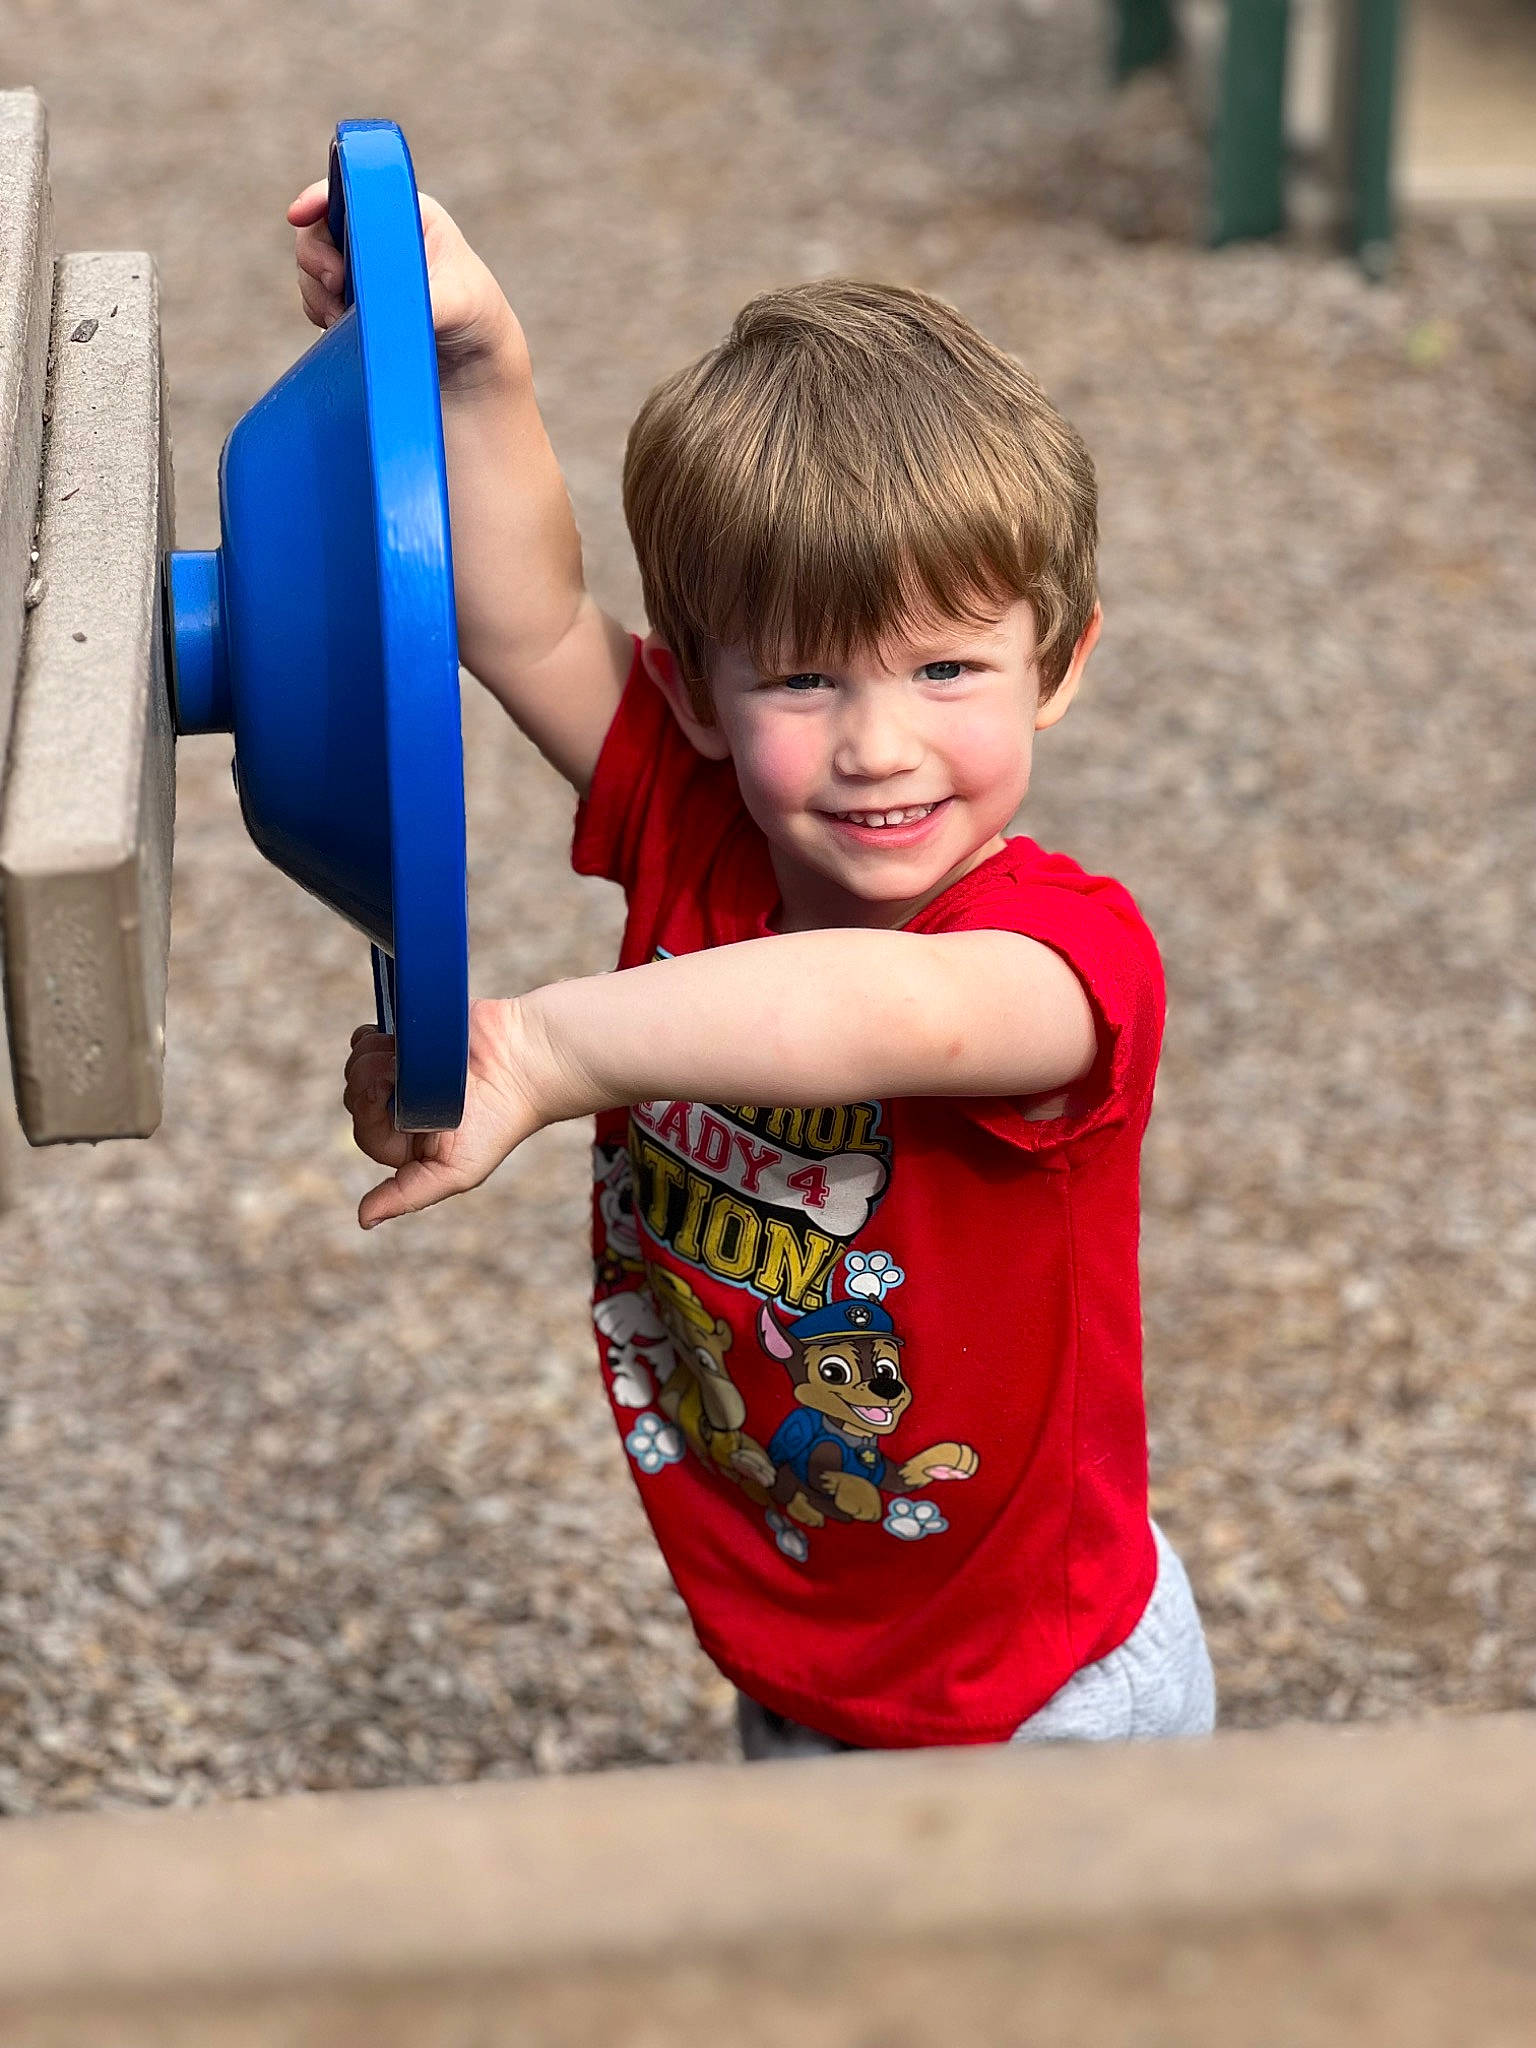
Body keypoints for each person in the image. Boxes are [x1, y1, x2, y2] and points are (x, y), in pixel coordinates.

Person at [289, 177, 1216, 1756]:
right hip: (804, 1657)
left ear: (1058, 665)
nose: (877, 744)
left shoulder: (1065, 964)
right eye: (801, 675)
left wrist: (547, 1050)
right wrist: (477, 364)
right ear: (700, 693)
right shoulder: (700, 829)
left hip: (1045, 1695)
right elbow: (524, 623)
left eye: (946, 667)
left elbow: (880, 1010)